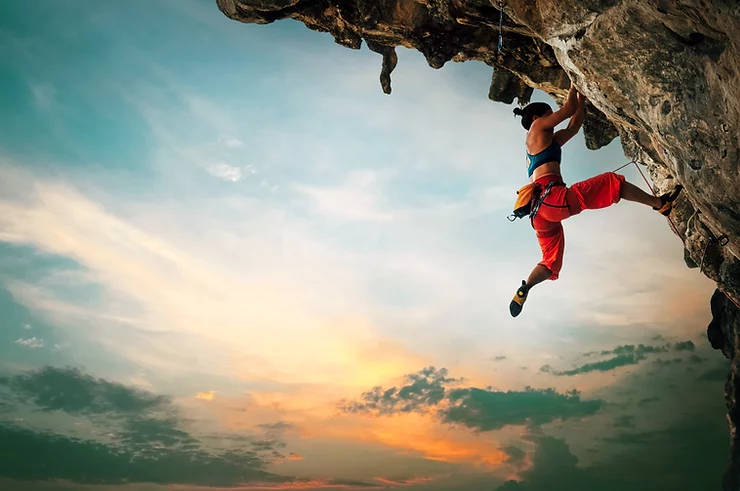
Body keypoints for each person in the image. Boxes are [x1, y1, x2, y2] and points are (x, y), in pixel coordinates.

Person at [509, 82, 683, 317]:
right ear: (538, 116)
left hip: (539, 215)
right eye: (550, 114)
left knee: (550, 262)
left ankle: (526, 286)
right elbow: (568, 110)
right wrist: (573, 83)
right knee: (612, 183)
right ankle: (660, 204)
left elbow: (573, 125)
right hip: (553, 200)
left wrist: (581, 99)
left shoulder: (542, 144)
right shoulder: (537, 126)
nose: (552, 118)